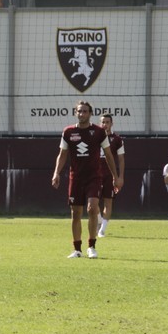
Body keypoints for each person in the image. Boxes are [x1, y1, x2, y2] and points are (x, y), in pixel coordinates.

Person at [52, 100, 120, 259]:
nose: (81, 114)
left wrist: (115, 177)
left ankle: (92, 246)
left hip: (94, 177)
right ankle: (77, 250)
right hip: (75, 178)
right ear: (76, 113)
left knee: (92, 208)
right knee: (75, 213)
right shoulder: (68, 132)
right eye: (79, 111)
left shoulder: (98, 132)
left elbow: (109, 155)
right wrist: (56, 173)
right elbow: (62, 155)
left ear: (90, 114)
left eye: (85, 111)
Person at [96, 113, 125, 237]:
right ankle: (99, 220)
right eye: (103, 122)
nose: (105, 124)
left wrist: (120, 177)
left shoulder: (117, 140)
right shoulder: (94, 137)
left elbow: (121, 159)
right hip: (95, 175)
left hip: (109, 175)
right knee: (93, 202)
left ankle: (102, 230)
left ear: (111, 124)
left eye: (107, 122)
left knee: (108, 202)